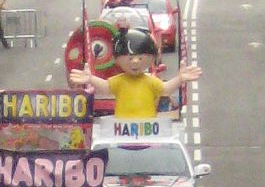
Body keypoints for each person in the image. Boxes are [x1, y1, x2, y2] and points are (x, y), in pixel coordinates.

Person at [69, 27, 202, 119]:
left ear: (151, 58)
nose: (135, 62)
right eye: (130, 58)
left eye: (140, 58)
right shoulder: (119, 81)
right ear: (117, 59)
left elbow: (165, 89)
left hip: (148, 129)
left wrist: (180, 79)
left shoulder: (150, 81)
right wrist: (90, 79)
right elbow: (105, 87)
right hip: (122, 129)